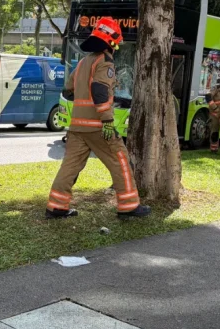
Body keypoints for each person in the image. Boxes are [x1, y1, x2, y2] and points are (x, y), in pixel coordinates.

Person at [45, 17, 150, 220]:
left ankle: (56, 207)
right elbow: (99, 89)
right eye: (116, 43)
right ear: (111, 42)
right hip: (99, 127)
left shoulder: (83, 63)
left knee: (70, 166)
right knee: (121, 161)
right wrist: (107, 120)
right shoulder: (104, 62)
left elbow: (68, 90)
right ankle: (128, 206)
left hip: (77, 127)